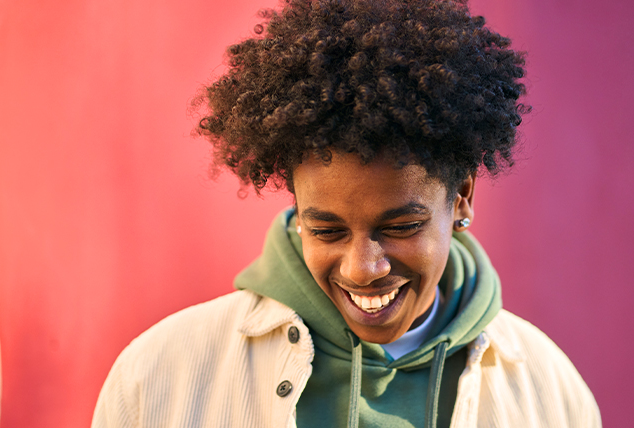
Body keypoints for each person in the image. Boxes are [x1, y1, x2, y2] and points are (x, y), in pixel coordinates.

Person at [92, 0, 601, 427]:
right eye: (326, 229)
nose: (362, 268)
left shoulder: (548, 392)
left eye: (401, 227)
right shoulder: (159, 376)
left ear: (463, 194)